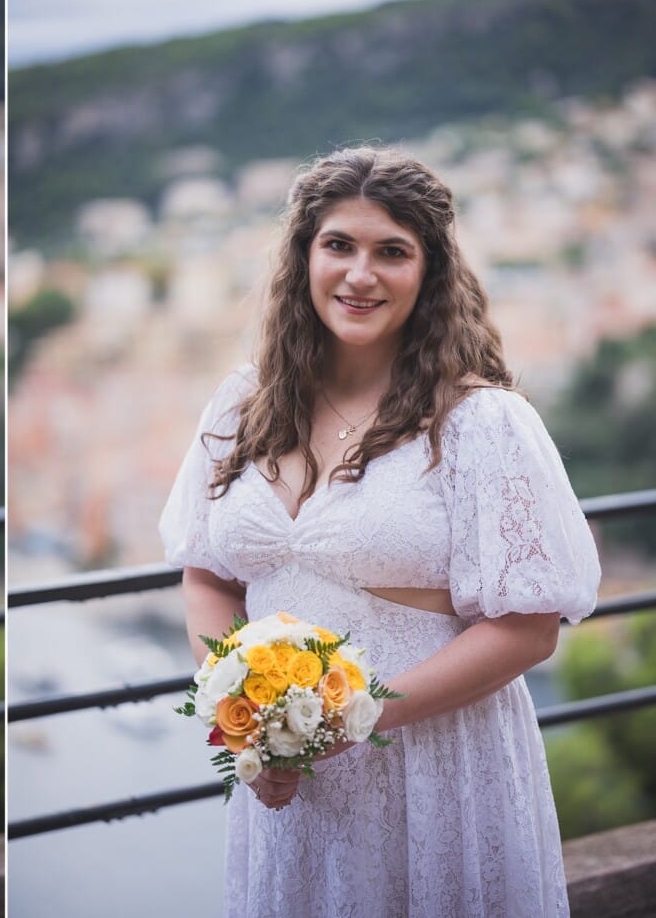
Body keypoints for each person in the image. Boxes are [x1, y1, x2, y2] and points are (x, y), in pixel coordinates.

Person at [159, 147, 599, 917]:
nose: (360, 274)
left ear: (429, 273)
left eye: (391, 251)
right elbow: (209, 574)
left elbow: (528, 629)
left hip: (435, 770)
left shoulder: (481, 422)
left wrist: (354, 717)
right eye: (339, 245)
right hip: (285, 788)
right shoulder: (239, 406)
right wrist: (248, 721)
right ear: (303, 259)